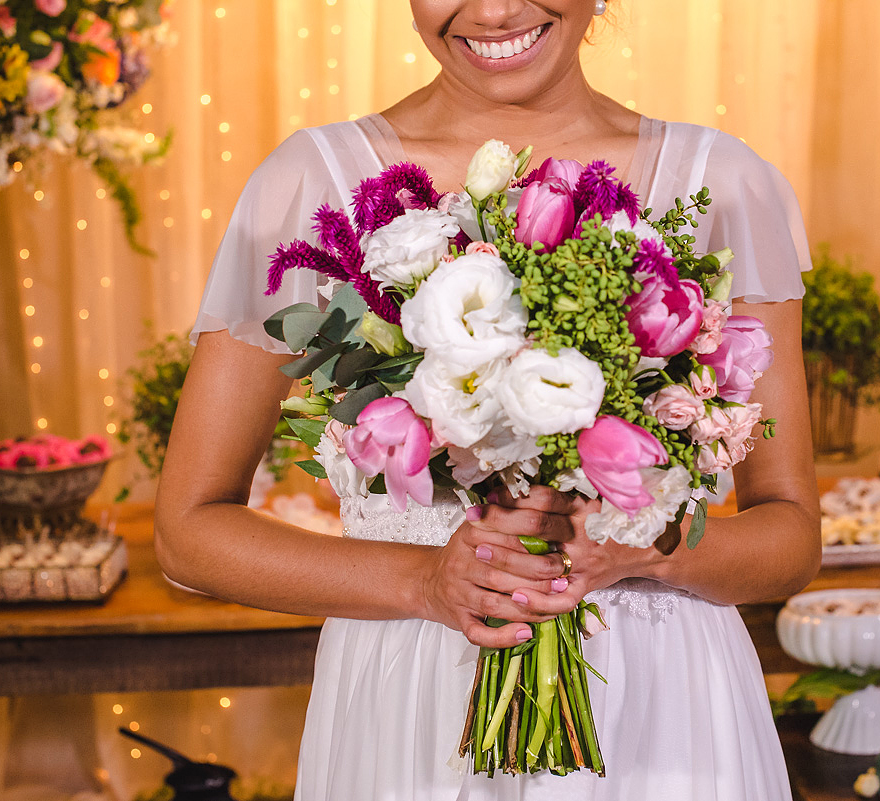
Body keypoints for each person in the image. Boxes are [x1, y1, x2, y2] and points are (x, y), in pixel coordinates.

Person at [155, 1, 822, 798]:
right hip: (412, 700)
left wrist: (647, 546)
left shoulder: (727, 186)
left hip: (664, 712)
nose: (497, 8)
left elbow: (792, 537)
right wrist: (423, 582)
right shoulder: (310, 183)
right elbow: (188, 533)